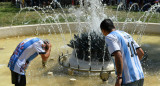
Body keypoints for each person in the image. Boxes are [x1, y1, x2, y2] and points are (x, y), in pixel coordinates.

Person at [100, 19, 144, 86]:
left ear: (103, 30)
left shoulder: (110, 37)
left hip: (128, 79)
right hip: (140, 76)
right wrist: (132, 63)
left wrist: (119, 77)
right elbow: (141, 52)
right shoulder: (126, 34)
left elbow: (118, 55)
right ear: (114, 26)